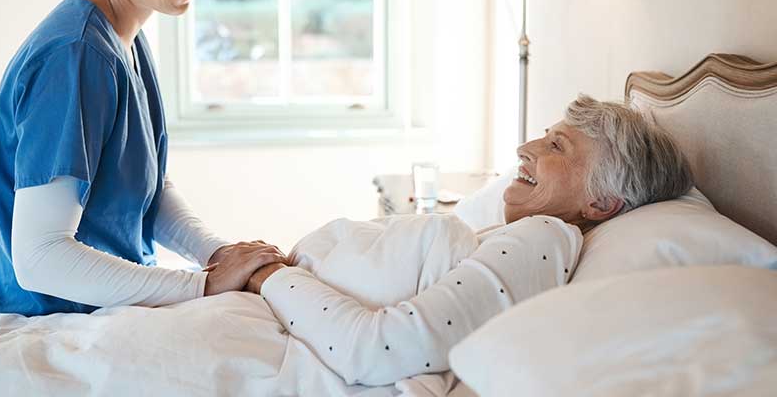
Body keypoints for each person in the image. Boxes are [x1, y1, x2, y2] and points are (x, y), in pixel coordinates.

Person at [0, 0, 286, 316]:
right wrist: (202, 287)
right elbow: (40, 258)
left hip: (100, 307)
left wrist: (217, 255)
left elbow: (142, 183)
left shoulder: (124, 36)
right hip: (47, 318)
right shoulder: (73, 57)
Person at [241, 95, 694, 386]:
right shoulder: (509, 234)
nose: (526, 148)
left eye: (556, 146)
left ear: (601, 204)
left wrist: (269, 275)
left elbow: (375, 350)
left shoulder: (543, 237)